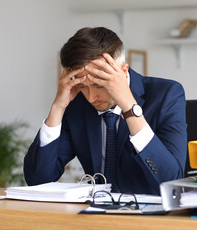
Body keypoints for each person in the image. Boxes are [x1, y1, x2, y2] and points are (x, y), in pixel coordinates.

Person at [23, 27, 187, 195]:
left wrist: (129, 107)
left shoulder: (167, 95)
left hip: (150, 217)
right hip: (93, 215)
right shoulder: (77, 103)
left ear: (123, 71)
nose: (91, 98)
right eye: (82, 86)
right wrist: (58, 106)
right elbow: (38, 181)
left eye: (99, 85)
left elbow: (171, 181)